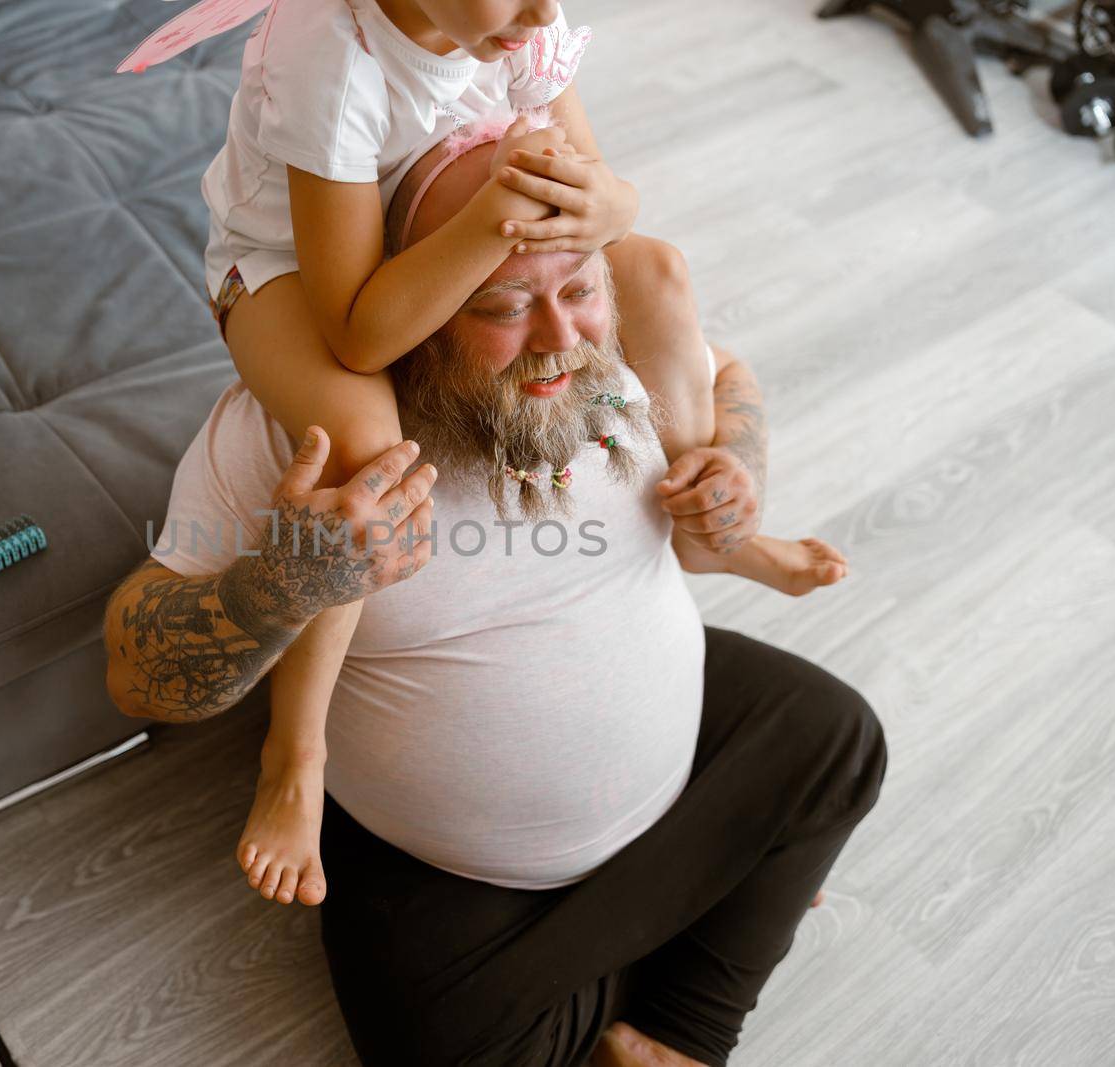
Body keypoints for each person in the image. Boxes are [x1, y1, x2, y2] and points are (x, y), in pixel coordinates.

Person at [103, 132, 887, 1066]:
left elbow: (727, 375)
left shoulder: (618, 342)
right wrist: (278, 585)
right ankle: (711, 904)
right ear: (412, 308)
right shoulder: (298, 438)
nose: (560, 337)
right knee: (442, 1042)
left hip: (678, 756)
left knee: (841, 741)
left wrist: (737, 461)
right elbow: (136, 677)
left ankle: (677, 1033)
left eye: (580, 289)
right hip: (442, 860)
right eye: (504, 305)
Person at [201, 0, 846, 909]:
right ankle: (294, 755)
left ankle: (707, 524)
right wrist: (494, 221)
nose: (545, 8)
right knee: (365, 442)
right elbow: (358, 335)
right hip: (292, 273)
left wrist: (607, 202)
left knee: (657, 273)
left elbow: (610, 200)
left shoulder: (520, 18)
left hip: (436, 207)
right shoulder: (332, 60)